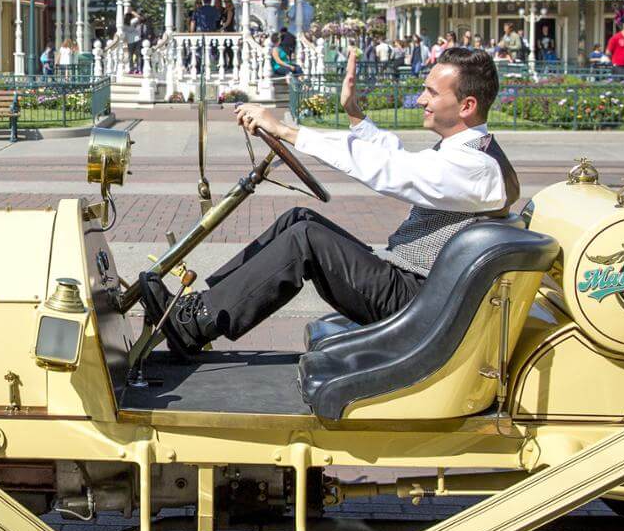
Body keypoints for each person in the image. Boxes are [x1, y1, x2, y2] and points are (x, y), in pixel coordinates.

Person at [139, 47, 517, 360]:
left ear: (466, 105)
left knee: (306, 238)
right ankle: (208, 304)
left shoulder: (477, 168)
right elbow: (394, 154)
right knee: (298, 218)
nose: (421, 99)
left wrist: (286, 131)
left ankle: (196, 322)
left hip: (416, 303)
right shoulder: (469, 153)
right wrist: (354, 113)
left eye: (432, 93)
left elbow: (392, 169)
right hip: (413, 286)